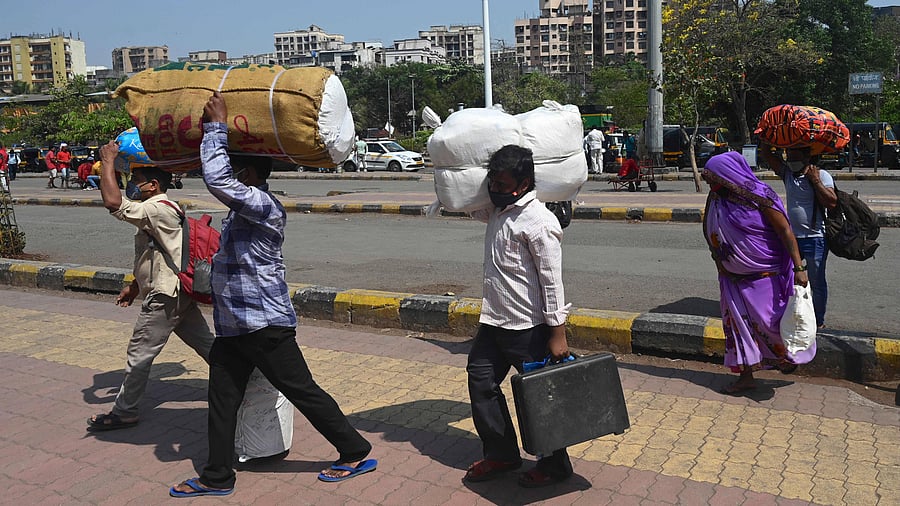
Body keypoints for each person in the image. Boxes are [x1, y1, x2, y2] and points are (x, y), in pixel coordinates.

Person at [170, 91, 375, 498]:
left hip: (265, 326)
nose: (230, 176)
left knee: (302, 389)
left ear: (246, 175)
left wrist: (216, 127)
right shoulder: (240, 212)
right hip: (234, 328)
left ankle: (354, 450)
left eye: (236, 170)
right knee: (221, 399)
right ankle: (217, 477)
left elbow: (216, 180)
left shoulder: (264, 206)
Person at [463, 145, 573, 488]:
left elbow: (552, 282)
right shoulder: (496, 211)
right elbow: (465, 204)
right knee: (481, 380)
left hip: (529, 327)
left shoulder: (538, 222)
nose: (495, 187)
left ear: (524, 183)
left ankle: (555, 464)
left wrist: (558, 333)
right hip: (494, 321)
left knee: (538, 397)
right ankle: (502, 453)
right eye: (491, 180)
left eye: (502, 181)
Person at [702, 152, 813, 395]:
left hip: (765, 275)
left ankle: (786, 356)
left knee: (769, 323)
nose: (708, 182)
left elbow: (785, 231)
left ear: (727, 175)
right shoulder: (717, 197)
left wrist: (799, 268)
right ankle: (746, 375)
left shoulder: (761, 196)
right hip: (731, 278)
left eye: (711, 177)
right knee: (737, 328)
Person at [759, 144, 837, 328]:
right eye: (789, 157)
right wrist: (766, 140)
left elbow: (832, 202)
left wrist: (815, 181)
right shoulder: (788, 174)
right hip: (792, 238)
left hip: (815, 238)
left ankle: (818, 321)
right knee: (785, 275)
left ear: (807, 157)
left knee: (816, 282)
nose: (792, 161)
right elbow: (766, 154)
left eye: (795, 157)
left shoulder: (821, 175)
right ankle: (787, 313)